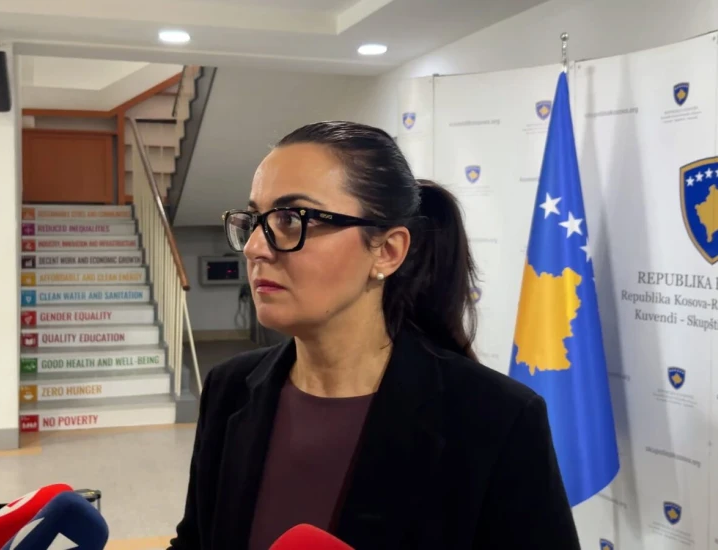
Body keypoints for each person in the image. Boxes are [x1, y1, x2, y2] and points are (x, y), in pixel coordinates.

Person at [168, 121, 580, 549]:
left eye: (291, 219)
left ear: (387, 251)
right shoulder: (229, 388)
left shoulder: (496, 419)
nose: (255, 247)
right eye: (254, 220)